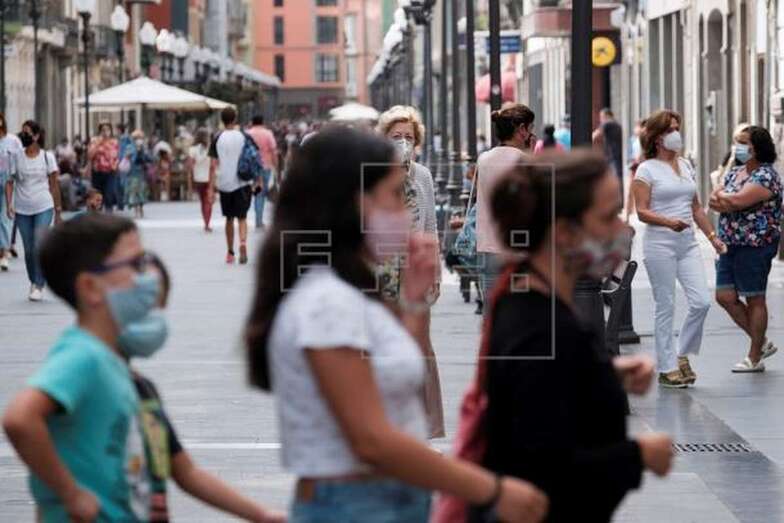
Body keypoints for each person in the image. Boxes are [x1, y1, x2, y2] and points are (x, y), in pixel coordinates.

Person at [244, 127, 548, 523]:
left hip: (387, 501)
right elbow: (372, 440)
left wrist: (413, 300)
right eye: (393, 196)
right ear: (354, 203)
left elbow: (391, 379)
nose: (405, 212)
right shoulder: (325, 304)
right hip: (354, 505)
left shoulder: (349, 288)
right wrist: (488, 489)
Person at [480, 149, 673, 522]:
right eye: (607, 218)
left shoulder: (527, 297)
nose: (623, 230)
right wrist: (641, 454)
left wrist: (602, 372)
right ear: (565, 233)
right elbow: (545, 469)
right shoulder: (542, 326)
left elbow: (541, 391)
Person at [2, 214, 158, 522]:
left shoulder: (107, 355)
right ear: (90, 287)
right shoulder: (83, 356)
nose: (148, 275)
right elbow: (20, 418)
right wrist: (69, 493)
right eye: (136, 265)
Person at [120, 254, 285, 522]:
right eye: (144, 303)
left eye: (158, 307)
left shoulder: (141, 388)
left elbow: (186, 473)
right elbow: (26, 418)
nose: (153, 319)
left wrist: (262, 515)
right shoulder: (88, 364)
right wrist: (72, 494)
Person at [631, 110, 724, 387]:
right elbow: (642, 211)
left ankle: (681, 353)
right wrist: (668, 222)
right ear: (658, 138)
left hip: (687, 243)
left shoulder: (685, 165)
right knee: (666, 305)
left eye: (678, 128)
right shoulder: (646, 170)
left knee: (701, 302)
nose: (677, 133)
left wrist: (712, 237)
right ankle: (667, 367)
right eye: (671, 129)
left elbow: (695, 206)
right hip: (660, 244)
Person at [377, 105, 444, 439]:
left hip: (416, 270)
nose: (403, 142)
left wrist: (435, 271)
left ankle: (425, 427)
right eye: (396, 137)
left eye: (408, 137)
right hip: (382, 270)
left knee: (420, 346)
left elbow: (431, 224)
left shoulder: (423, 175)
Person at [710, 126, 783, 372]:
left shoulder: (766, 176)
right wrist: (726, 199)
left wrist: (726, 198)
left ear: (756, 147)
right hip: (729, 243)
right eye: (736, 142)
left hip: (755, 245)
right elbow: (714, 202)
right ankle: (761, 342)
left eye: (743, 143)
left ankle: (754, 356)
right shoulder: (737, 172)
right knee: (724, 296)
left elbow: (738, 200)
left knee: (754, 297)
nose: (737, 147)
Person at [476, 104, 535, 309]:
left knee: (492, 311)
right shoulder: (527, 161)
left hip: (488, 246)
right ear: (521, 130)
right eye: (530, 127)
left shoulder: (483, 159)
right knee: (521, 311)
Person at [4, 120, 62, 301]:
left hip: (44, 206)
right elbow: (10, 182)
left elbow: (54, 185)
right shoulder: (16, 156)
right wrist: (9, 204)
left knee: (38, 245)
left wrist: (58, 211)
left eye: (27, 132)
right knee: (28, 249)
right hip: (22, 209)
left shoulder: (47, 157)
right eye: (22, 132)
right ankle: (33, 280)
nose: (24, 135)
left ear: (36, 136)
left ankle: (39, 283)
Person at [209, 107, 253, 264]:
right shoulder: (244, 136)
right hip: (242, 182)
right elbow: (254, 157)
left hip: (225, 183)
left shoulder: (217, 138)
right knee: (242, 217)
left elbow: (213, 165)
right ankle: (242, 242)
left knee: (229, 218)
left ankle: (230, 252)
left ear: (222, 120)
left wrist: (210, 188)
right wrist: (257, 181)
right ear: (235, 119)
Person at [246, 115, 278, 230]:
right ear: (262, 122)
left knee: (257, 193)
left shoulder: (248, 134)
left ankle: (258, 219)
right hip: (266, 166)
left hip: (252, 168)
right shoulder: (267, 133)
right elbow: (273, 150)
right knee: (263, 193)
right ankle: (259, 220)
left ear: (252, 122)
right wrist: (276, 165)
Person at [0, 113, 22, 272]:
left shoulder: (13, 140)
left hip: (8, 181)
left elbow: (20, 159)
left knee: (5, 217)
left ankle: (5, 252)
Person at [593, 108, 624, 201]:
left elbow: (595, 136)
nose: (600, 119)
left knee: (614, 178)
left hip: (612, 156)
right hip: (617, 155)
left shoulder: (607, 123)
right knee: (617, 177)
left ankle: (616, 200)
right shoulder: (617, 124)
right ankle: (619, 200)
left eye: (601, 117)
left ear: (606, 116)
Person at [88, 122, 120, 212]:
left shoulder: (114, 142)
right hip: (97, 172)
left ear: (111, 131)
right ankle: (99, 217)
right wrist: (98, 143)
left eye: (108, 130)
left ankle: (109, 215)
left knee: (109, 194)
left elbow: (117, 156)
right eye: (103, 130)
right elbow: (90, 156)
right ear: (99, 131)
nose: (105, 132)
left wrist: (116, 165)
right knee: (98, 196)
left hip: (110, 172)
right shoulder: (94, 141)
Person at [189, 128, 214, 232]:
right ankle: (207, 223)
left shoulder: (192, 149)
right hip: (208, 178)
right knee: (208, 201)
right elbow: (213, 166)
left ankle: (205, 222)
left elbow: (190, 165)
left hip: (197, 178)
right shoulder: (211, 149)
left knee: (203, 202)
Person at [126, 130, 154, 219]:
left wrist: (142, 152)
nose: (138, 140)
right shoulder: (130, 147)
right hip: (132, 172)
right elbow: (130, 159)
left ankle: (141, 208)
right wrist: (136, 151)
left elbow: (149, 159)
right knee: (133, 191)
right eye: (136, 138)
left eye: (140, 138)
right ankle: (136, 210)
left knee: (142, 191)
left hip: (141, 173)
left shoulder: (144, 148)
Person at [625, 120, 644, 221]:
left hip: (643, 167)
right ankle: (627, 216)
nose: (637, 129)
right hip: (634, 168)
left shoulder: (646, 140)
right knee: (630, 192)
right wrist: (631, 162)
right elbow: (629, 153)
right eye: (637, 127)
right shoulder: (633, 140)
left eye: (639, 127)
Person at [116, 124, 133, 211]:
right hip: (123, 162)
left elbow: (128, 150)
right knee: (122, 183)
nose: (116, 131)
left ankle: (122, 202)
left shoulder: (124, 139)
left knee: (121, 184)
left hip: (122, 162)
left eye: (117, 129)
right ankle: (122, 203)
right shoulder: (123, 139)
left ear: (119, 130)